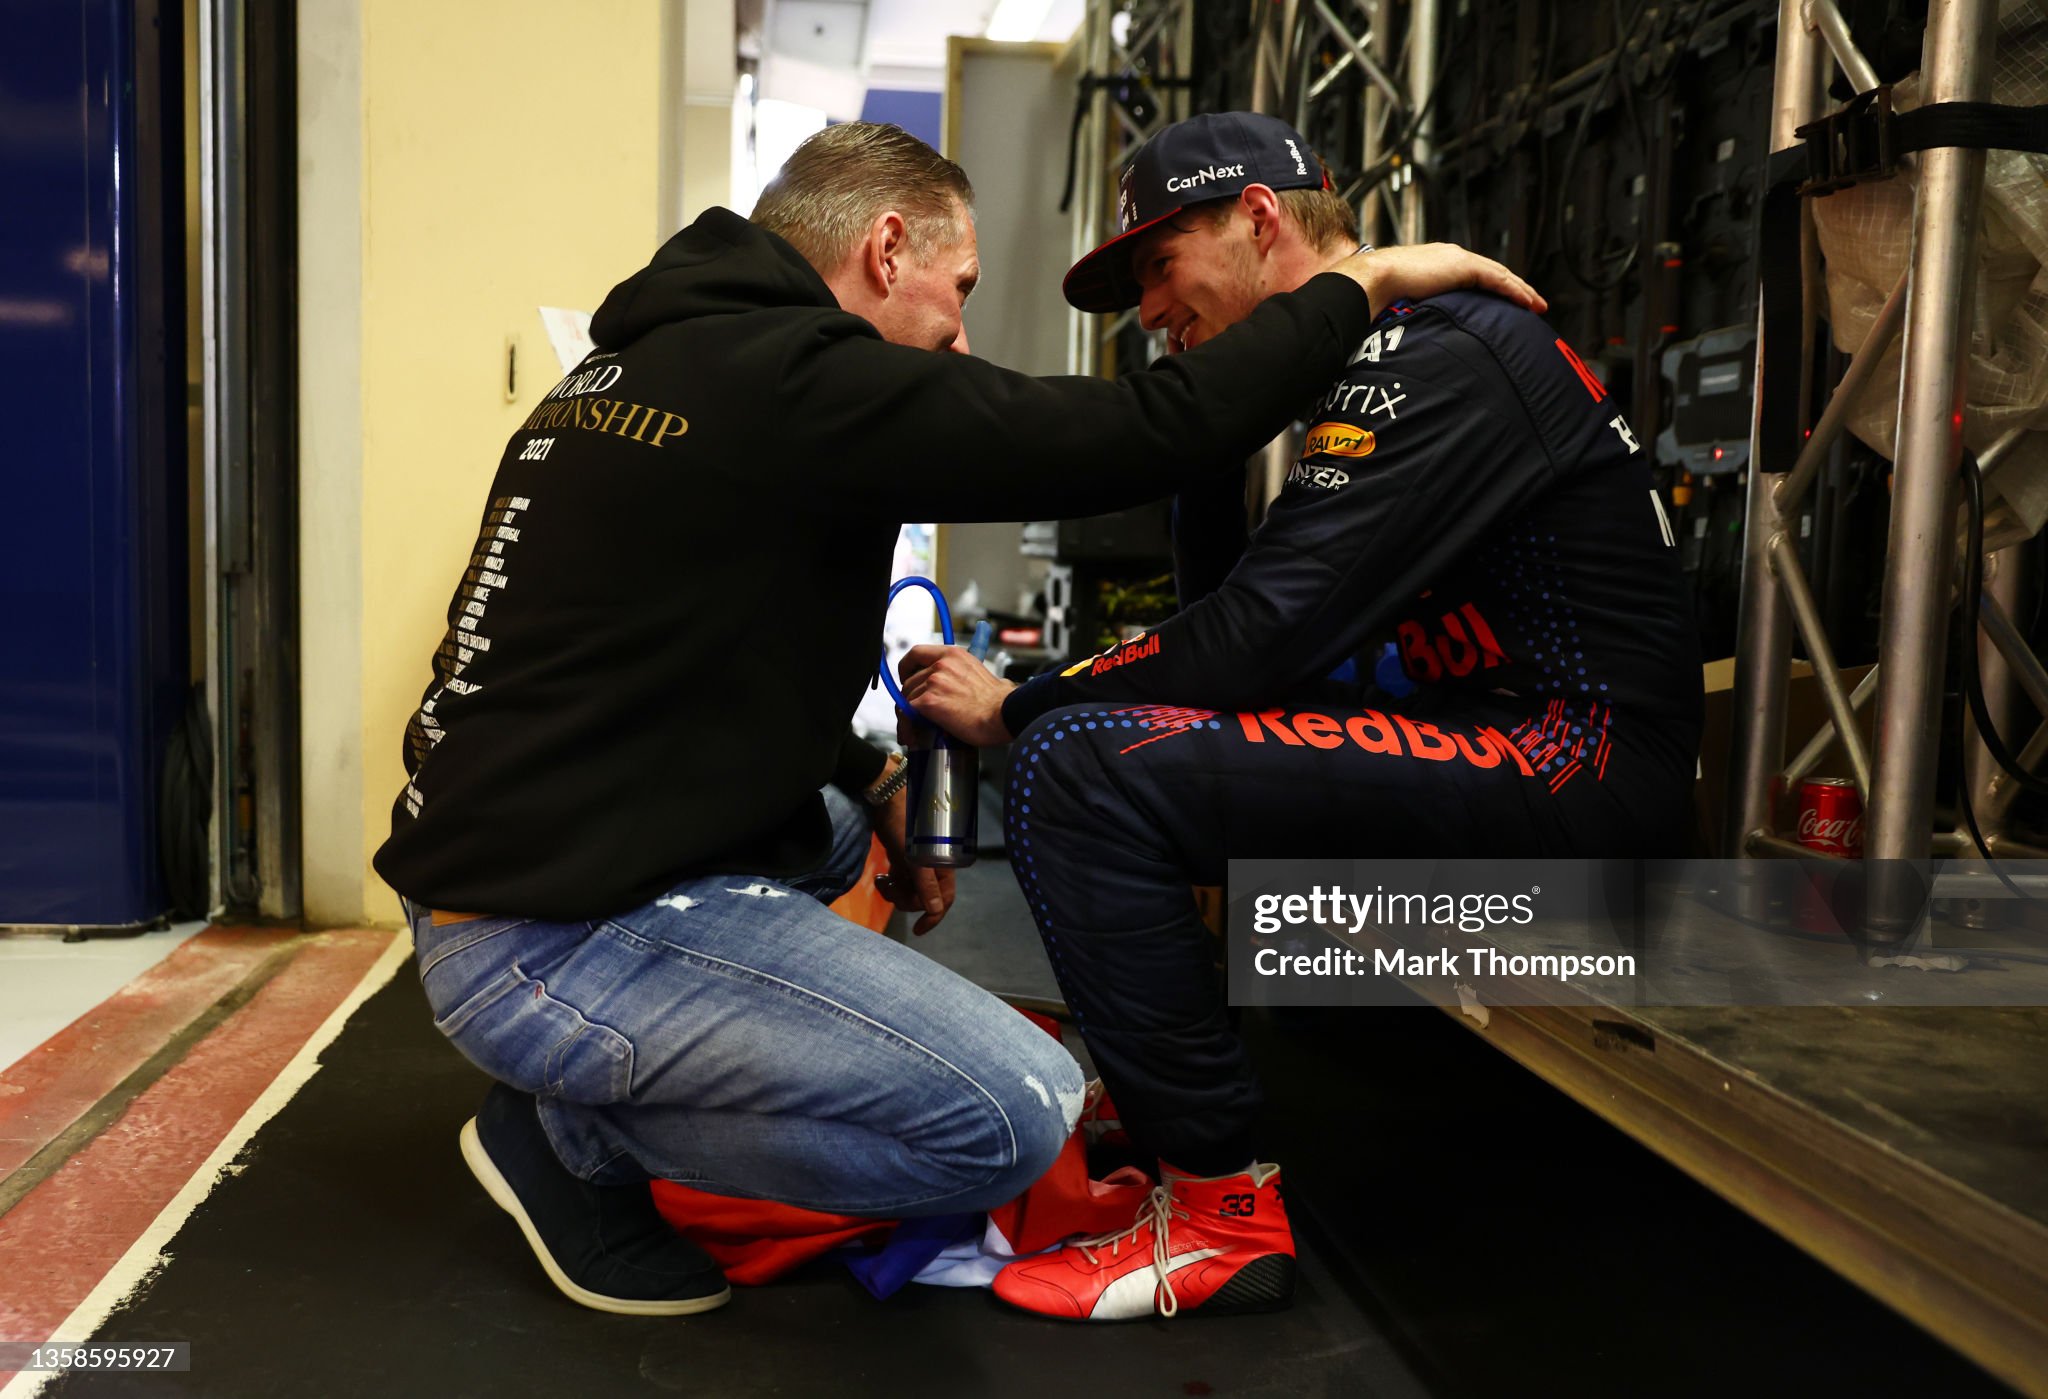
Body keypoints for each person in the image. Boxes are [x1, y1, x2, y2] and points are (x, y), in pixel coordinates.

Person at [369, 119, 1542, 1317]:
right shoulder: (792, 376)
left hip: (502, 876)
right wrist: (1361, 282)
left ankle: (609, 1060)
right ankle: (579, 1141)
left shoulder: (642, 372)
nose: (962, 335)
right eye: (961, 289)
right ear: (886, 248)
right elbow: (1143, 434)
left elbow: (681, 651)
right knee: (1014, 1115)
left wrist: (874, 777)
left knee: (833, 827)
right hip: (544, 938)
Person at [900, 111, 1702, 1322]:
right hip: (1492, 743)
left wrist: (1023, 703)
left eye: (1160, 268)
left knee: (1075, 761)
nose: (1149, 313)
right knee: (1115, 748)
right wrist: (1208, 435)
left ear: (1261, 221)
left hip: (1580, 779)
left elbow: (1245, 644)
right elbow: (1233, 629)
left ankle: (1218, 1213)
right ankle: (1161, 1095)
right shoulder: (1365, 365)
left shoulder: (1428, 354)